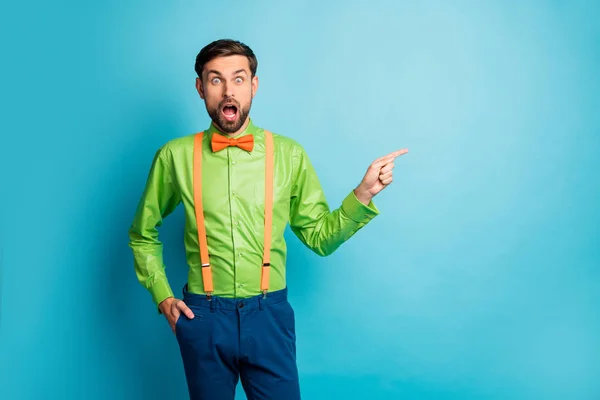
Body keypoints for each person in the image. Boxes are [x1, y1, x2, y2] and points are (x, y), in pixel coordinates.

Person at [128, 38, 408, 400]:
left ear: (254, 86)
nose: (228, 91)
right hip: (202, 319)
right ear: (200, 88)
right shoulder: (174, 156)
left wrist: (363, 194)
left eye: (239, 79)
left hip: (269, 317)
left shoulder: (289, 155)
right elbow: (142, 234)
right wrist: (163, 296)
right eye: (215, 80)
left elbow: (320, 238)